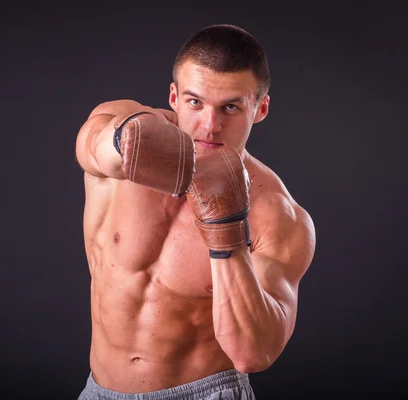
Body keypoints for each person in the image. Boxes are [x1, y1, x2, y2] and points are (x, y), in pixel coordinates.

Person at [74, 24, 316, 400]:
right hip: (99, 391)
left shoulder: (279, 216)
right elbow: (92, 146)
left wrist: (227, 228)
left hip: (205, 392)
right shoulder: (124, 130)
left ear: (261, 108)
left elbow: (254, 353)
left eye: (231, 107)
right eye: (195, 102)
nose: (210, 125)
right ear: (173, 96)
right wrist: (126, 142)